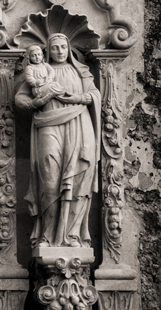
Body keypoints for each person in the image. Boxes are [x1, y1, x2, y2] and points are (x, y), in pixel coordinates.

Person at [15, 33, 101, 247]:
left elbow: (95, 95)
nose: (60, 51)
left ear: (69, 48)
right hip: (48, 124)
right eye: (55, 48)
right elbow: (20, 98)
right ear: (47, 51)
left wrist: (78, 98)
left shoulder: (80, 71)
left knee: (78, 179)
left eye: (63, 47)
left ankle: (72, 235)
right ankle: (47, 235)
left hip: (79, 123)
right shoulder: (40, 71)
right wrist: (35, 103)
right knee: (50, 178)